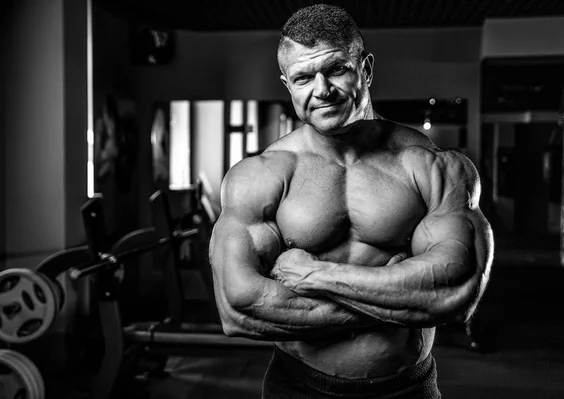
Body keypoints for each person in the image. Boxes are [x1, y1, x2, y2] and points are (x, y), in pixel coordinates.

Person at [209, 4, 493, 398]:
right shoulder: (261, 176)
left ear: (366, 69)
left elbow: (455, 291)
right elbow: (238, 308)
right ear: (287, 85)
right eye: (303, 77)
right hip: (298, 387)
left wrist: (315, 276)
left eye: (337, 69)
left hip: (407, 389)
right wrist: (400, 303)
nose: (321, 89)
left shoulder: (430, 166)